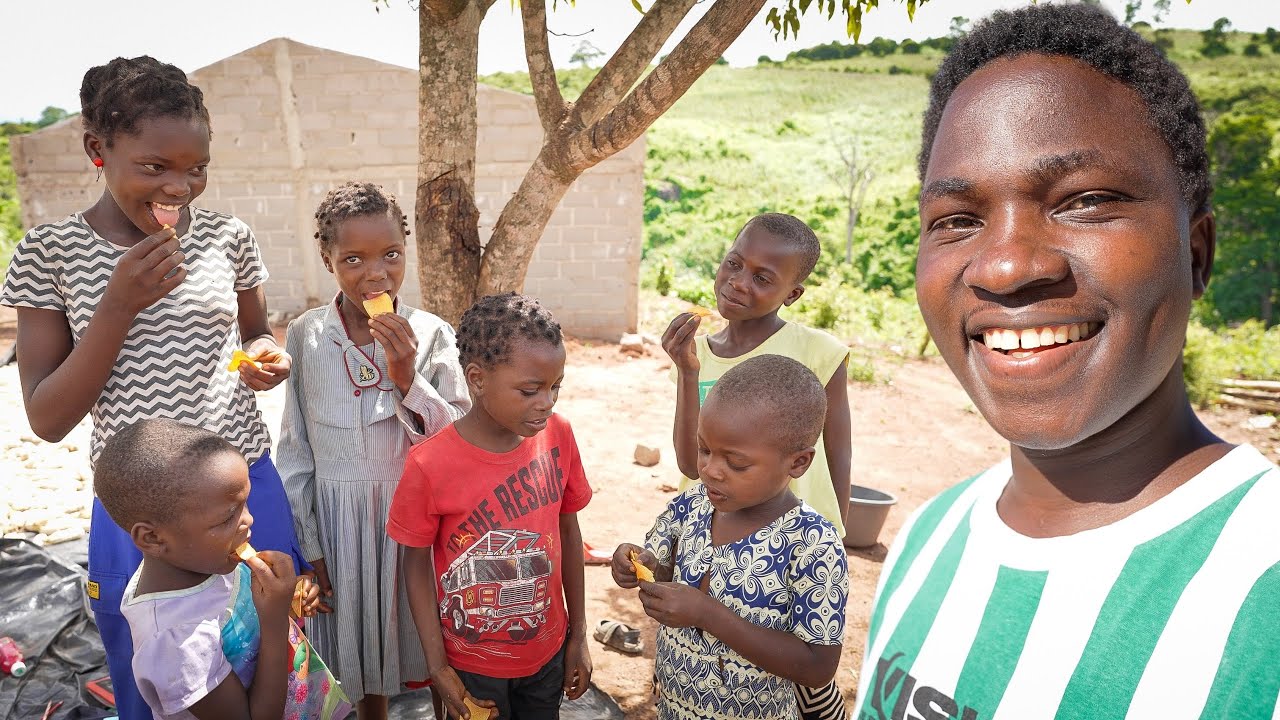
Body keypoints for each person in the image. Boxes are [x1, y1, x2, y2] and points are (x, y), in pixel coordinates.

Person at [853, 5, 1280, 719]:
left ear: (1197, 255)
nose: (1008, 266)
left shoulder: (1261, 580)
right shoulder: (928, 541)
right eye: (957, 219)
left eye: (1084, 202)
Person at [0, 56, 305, 719]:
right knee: (161, 674)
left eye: (195, 167)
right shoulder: (49, 254)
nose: (179, 187)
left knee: (272, 643)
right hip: (141, 509)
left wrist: (262, 357)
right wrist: (117, 307)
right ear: (96, 150)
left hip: (243, 487)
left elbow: (257, 331)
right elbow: (47, 417)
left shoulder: (228, 237)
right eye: (154, 167)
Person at [278, 181, 471, 720]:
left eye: (391, 254)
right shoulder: (305, 336)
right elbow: (296, 451)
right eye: (353, 259)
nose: (376, 273)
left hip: (416, 525)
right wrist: (310, 545)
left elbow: (455, 441)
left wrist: (407, 376)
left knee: (434, 645)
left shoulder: (431, 334)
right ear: (327, 259)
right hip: (339, 529)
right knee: (356, 650)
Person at [662, 212, 852, 718]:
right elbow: (689, 460)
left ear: (792, 294)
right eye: (734, 264)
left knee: (795, 674)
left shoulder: (821, 352)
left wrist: (839, 531)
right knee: (711, 650)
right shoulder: (698, 353)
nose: (739, 283)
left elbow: (839, 450)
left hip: (794, 540)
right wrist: (686, 372)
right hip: (717, 526)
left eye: (763, 278)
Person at [388, 292, 594, 720]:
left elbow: (569, 534)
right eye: (530, 390)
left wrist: (578, 635)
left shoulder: (559, 435)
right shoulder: (429, 464)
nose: (548, 402)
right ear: (477, 380)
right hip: (470, 667)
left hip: (548, 653)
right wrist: (438, 667)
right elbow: (415, 566)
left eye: (556, 386)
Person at [614, 354, 849, 720]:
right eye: (705, 449)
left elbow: (817, 665)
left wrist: (706, 613)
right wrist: (637, 565)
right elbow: (659, 568)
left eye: (736, 463)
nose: (710, 470)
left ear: (798, 463)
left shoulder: (813, 543)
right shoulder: (691, 504)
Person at [95, 419, 349, 720]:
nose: (248, 521)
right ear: (152, 538)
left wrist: (288, 598)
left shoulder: (204, 560)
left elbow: (242, 616)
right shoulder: (176, 642)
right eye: (227, 517)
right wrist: (275, 619)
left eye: (245, 504)